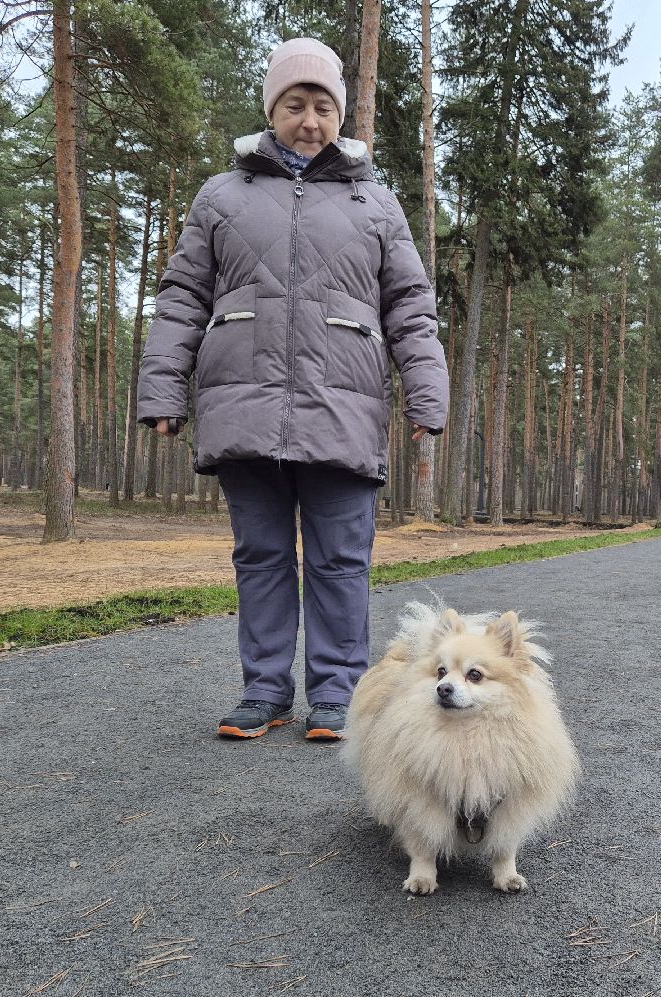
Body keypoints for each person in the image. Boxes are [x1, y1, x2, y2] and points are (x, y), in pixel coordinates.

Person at [136, 37, 448, 743]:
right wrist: (162, 389)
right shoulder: (222, 195)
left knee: (341, 562)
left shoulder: (376, 203)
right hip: (243, 405)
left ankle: (339, 695)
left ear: (341, 114)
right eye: (295, 105)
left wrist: (427, 392)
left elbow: (410, 307)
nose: (310, 121)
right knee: (261, 558)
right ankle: (265, 690)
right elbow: (182, 296)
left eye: (323, 107)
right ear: (272, 109)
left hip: (343, 407)